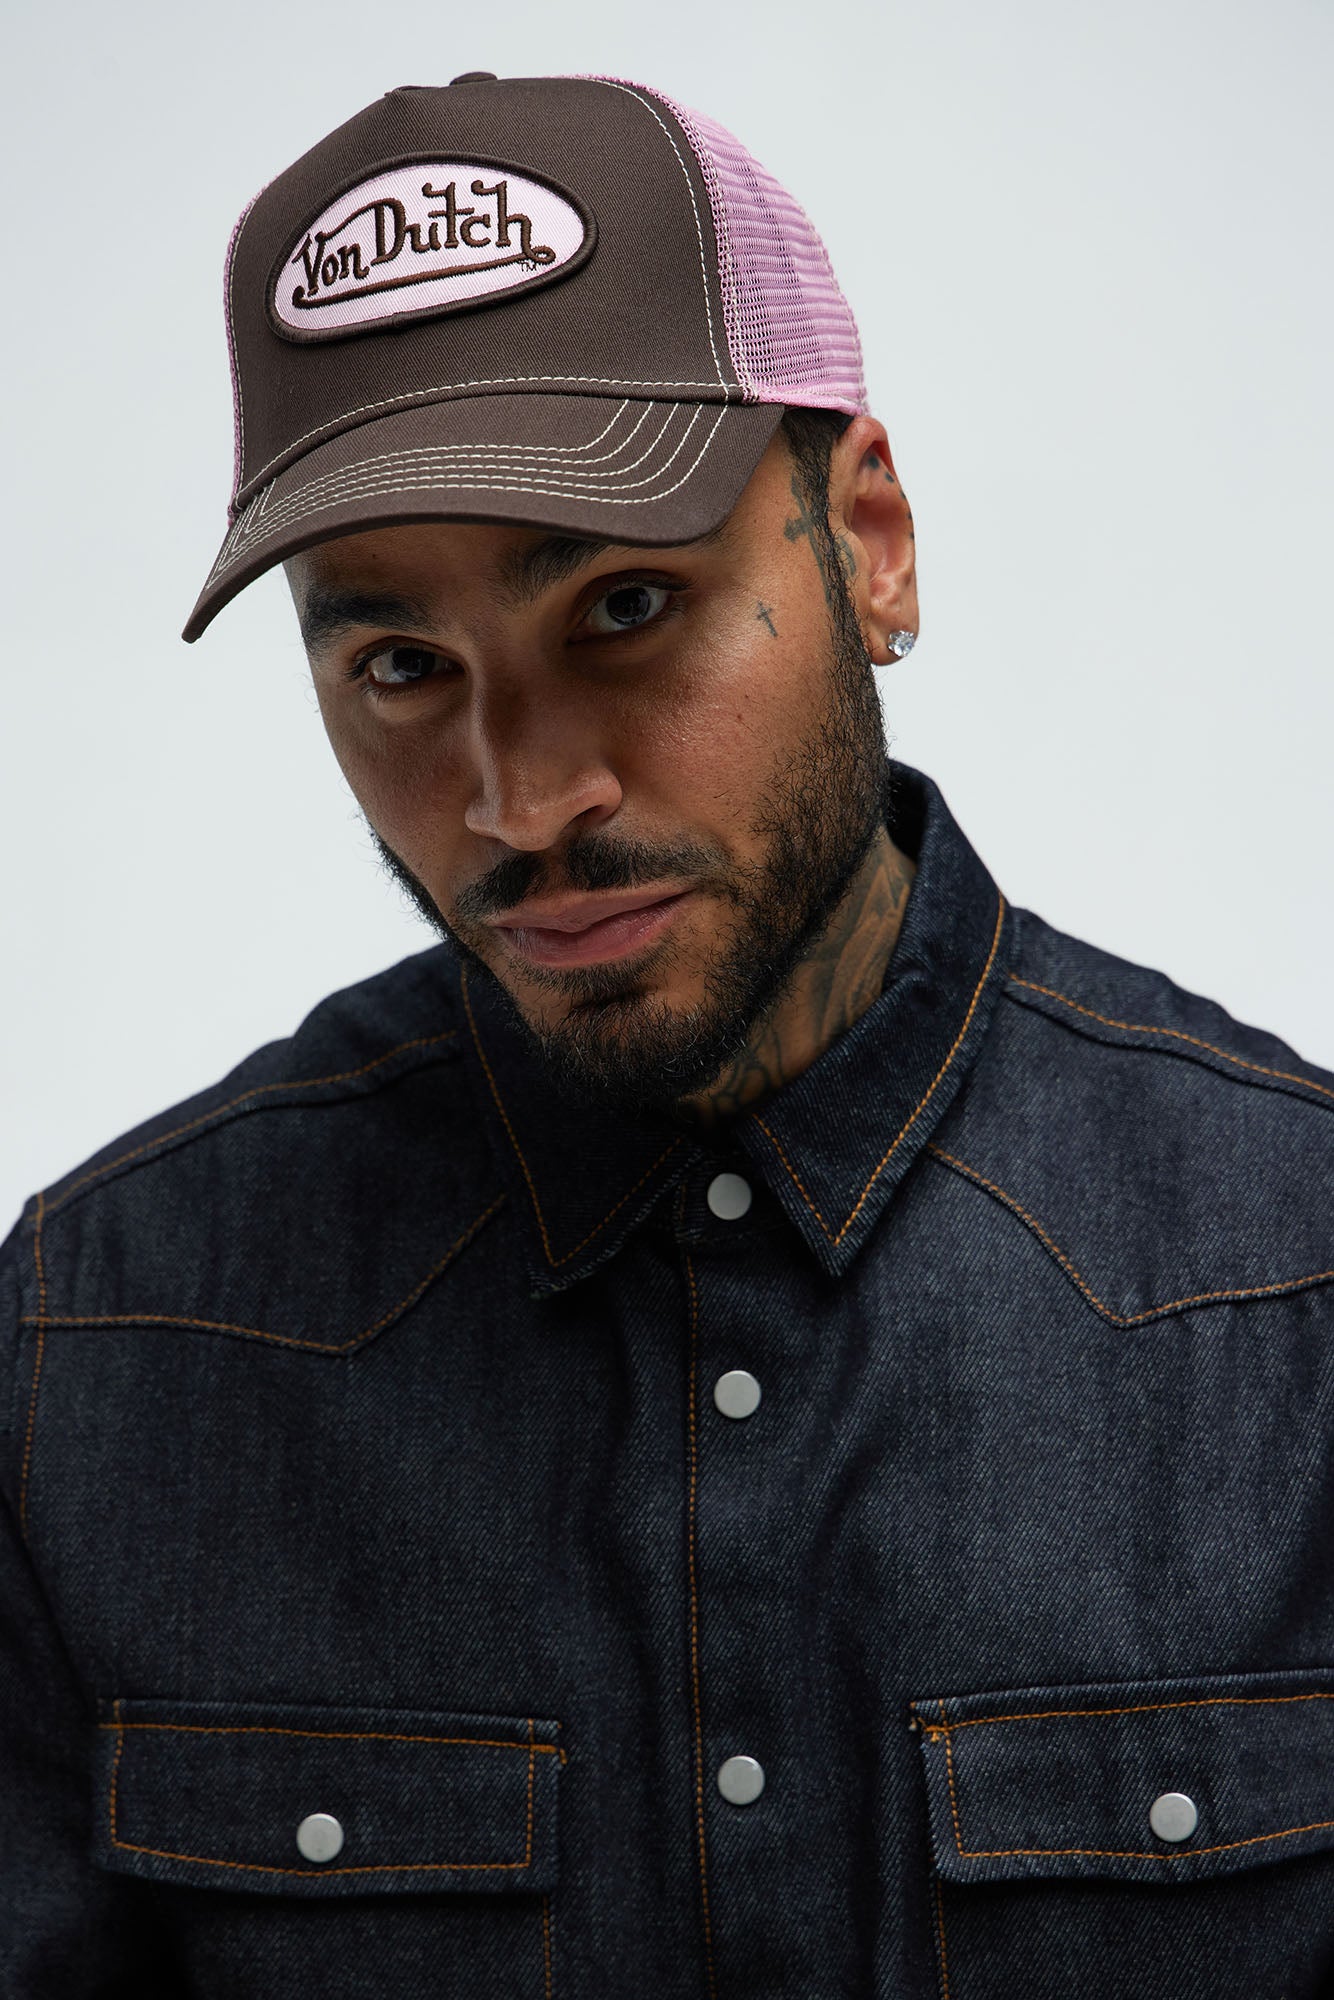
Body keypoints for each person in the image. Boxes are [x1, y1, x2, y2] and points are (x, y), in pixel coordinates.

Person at [2, 70, 1331, 2000]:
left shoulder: (1295, 1288)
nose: (520, 797)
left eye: (624, 602)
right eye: (400, 665)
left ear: (867, 541)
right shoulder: (101, 1345)